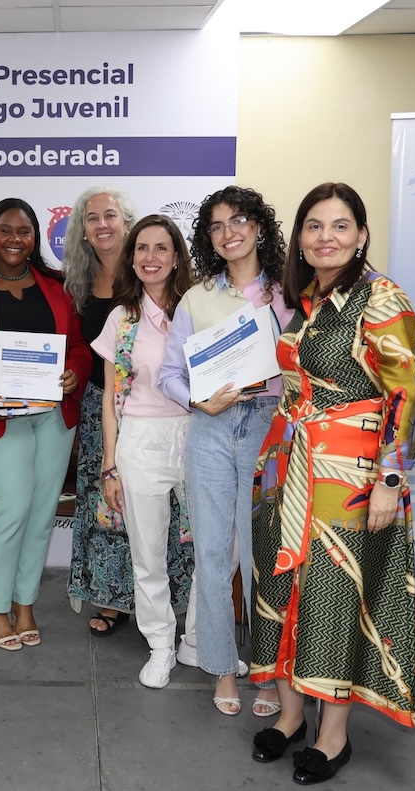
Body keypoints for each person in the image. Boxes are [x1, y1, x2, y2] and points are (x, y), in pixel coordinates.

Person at [248, 182, 415, 785]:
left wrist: (390, 479)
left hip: (349, 477)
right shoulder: (309, 300)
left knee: (333, 595)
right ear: (300, 237)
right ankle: (291, 716)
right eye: (315, 225)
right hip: (290, 466)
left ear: (362, 234)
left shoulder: (380, 296)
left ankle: (334, 735)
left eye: (341, 225)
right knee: (284, 587)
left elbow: (405, 394)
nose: (327, 237)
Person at [159, 187, 293, 716]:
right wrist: (199, 401)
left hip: (269, 427)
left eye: (238, 220)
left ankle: (267, 673)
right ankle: (221, 668)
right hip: (211, 428)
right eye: (216, 226)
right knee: (213, 556)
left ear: (259, 226)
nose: (228, 232)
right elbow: (170, 374)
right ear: (207, 238)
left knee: (264, 558)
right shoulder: (197, 298)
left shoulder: (289, 293)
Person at [0, 198, 91, 651]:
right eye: (5, 230)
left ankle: (24, 603)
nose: (14, 239)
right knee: (11, 510)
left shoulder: (58, 285)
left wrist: (74, 373)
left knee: (42, 513)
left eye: (24, 232)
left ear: (34, 238)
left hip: (53, 416)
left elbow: (79, 346)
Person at [63, 186, 193, 638]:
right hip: (113, 410)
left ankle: (180, 609)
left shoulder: (191, 305)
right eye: (92, 217)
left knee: (174, 522)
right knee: (111, 510)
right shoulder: (79, 283)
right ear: (82, 229)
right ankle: (116, 599)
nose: (102, 224)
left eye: (111, 215)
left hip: (181, 424)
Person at [93, 214, 195, 688]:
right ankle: (160, 645)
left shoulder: (200, 310)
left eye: (161, 248)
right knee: (148, 553)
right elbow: (110, 400)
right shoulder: (122, 318)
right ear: (131, 258)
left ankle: (198, 641)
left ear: (176, 258)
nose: (150, 257)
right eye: (141, 248)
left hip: (199, 435)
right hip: (140, 440)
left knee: (216, 550)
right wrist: (109, 465)